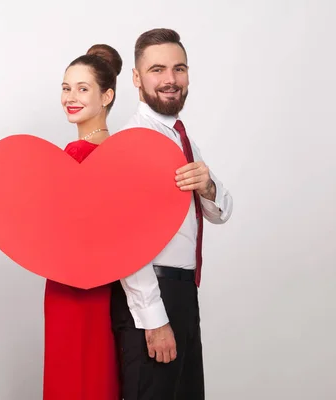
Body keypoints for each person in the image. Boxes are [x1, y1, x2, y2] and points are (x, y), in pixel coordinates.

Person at [0, 44, 123, 399]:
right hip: (105, 285)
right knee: (99, 373)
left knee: (73, 377)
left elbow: (44, 217)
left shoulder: (78, 154)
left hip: (70, 285)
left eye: (83, 89)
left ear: (107, 95)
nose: (70, 97)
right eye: (66, 88)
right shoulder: (118, 152)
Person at [110, 28, 234, 400]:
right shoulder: (132, 143)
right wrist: (154, 320)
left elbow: (220, 212)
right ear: (136, 78)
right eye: (157, 69)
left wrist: (208, 186)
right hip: (151, 297)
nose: (170, 80)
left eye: (179, 69)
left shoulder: (180, 137)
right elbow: (123, 239)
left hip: (183, 293)